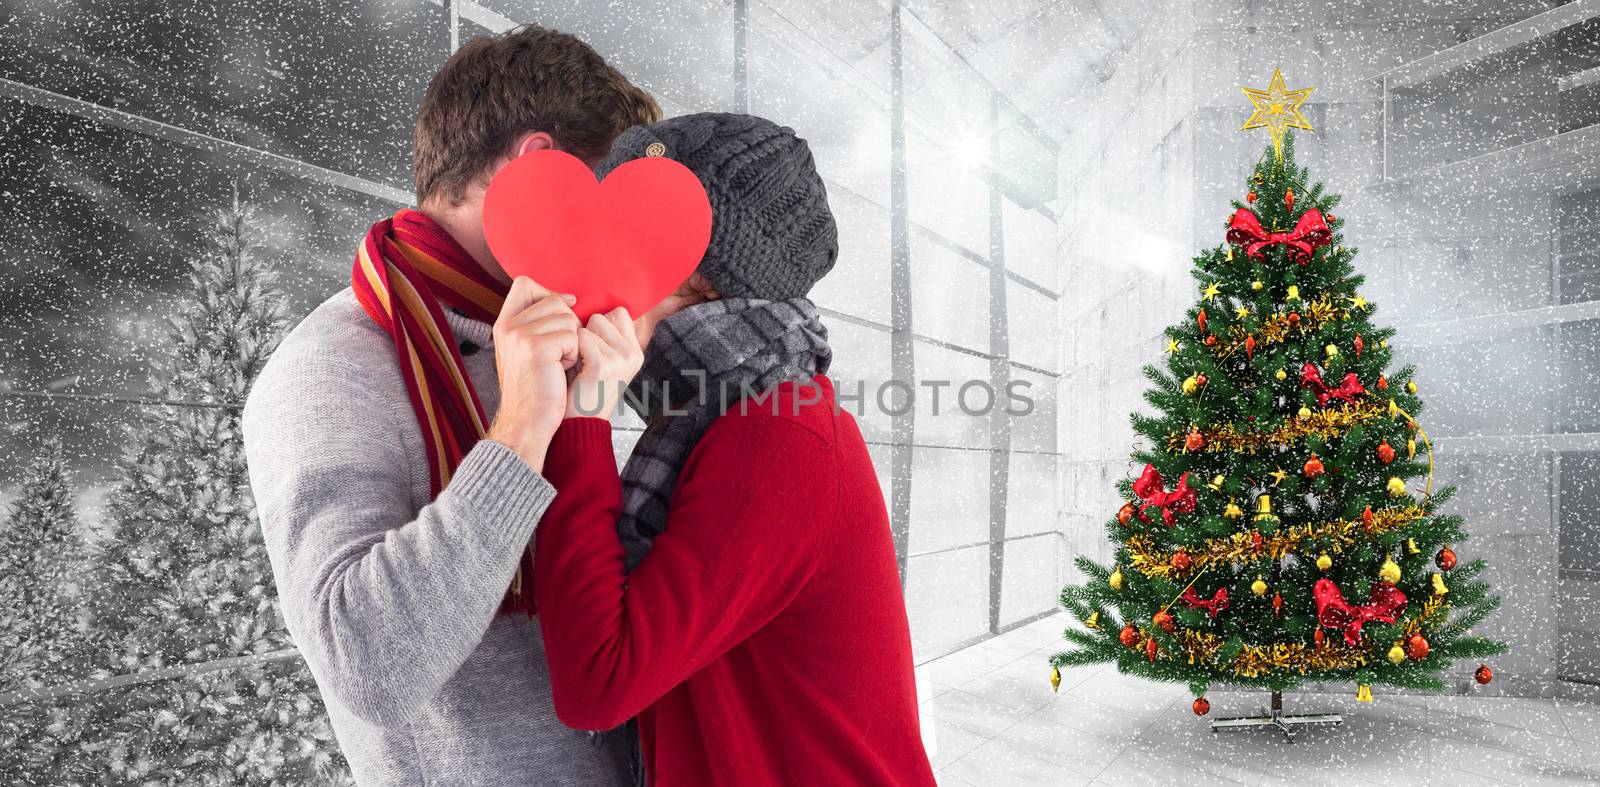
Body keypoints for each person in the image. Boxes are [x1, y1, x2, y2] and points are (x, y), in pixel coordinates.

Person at [241, 25, 657, 785]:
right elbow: (368, 667)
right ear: (544, 169)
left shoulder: (570, 336)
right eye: (611, 200)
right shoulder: (326, 368)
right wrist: (523, 427)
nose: (619, 241)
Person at [531, 113, 938, 786]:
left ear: (711, 279)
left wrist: (582, 419)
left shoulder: (779, 437)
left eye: (630, 235)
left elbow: (598, 682)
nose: (591, 264)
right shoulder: (721, 416)